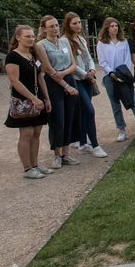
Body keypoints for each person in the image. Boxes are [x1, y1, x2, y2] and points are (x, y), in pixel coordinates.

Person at [96, 18, 135, 140]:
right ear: (107, 28)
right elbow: (102, 61)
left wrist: (122, 72)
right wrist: (111, 73)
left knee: (133, 100)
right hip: (109, 76)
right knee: (115, 104)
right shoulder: (102, 43)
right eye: (112, 26)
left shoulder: (123, 42)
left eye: (116, 26)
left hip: (123, 74)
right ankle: (121, 129)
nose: (114, 28)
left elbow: (127, 58)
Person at [5, 25, 51, 178]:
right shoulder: (13, 57)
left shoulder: (33, 55)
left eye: (32, 36)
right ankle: (27, 168)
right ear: (18, 37)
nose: (31, 39)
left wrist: (46, 98)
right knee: (26, 133)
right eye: (27, 36)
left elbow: (40, 78)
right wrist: (33, 98)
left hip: (38, 99)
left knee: (36, 133)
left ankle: (35, 164)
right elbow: (14, 81)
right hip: (24, 100)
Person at [34, 15, 80, 169]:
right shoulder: (41, 45)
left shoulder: (65, 41)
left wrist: (65, 74)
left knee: (69, 118)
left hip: (68, 77)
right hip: (54, 83)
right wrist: (64, 84)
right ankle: (56, 154)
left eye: (56, 25)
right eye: (51, 26)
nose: (55, 29)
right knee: (57, 119)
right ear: (44, 28)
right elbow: (47, 68)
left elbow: (73, 64)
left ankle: (66, 153)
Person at [61, 12, 107, 158]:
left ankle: (82, 142)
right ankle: (95, 145)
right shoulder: (64, 41)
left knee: (82, 112)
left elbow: (88, 57)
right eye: (74, 23)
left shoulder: (80, 39)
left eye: (79, 22)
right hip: (76, 80)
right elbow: (70, 63)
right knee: (89, 111)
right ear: (68, 25)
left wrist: (92, 70)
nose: (78, 25)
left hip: (87, 79)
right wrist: (85, 74)